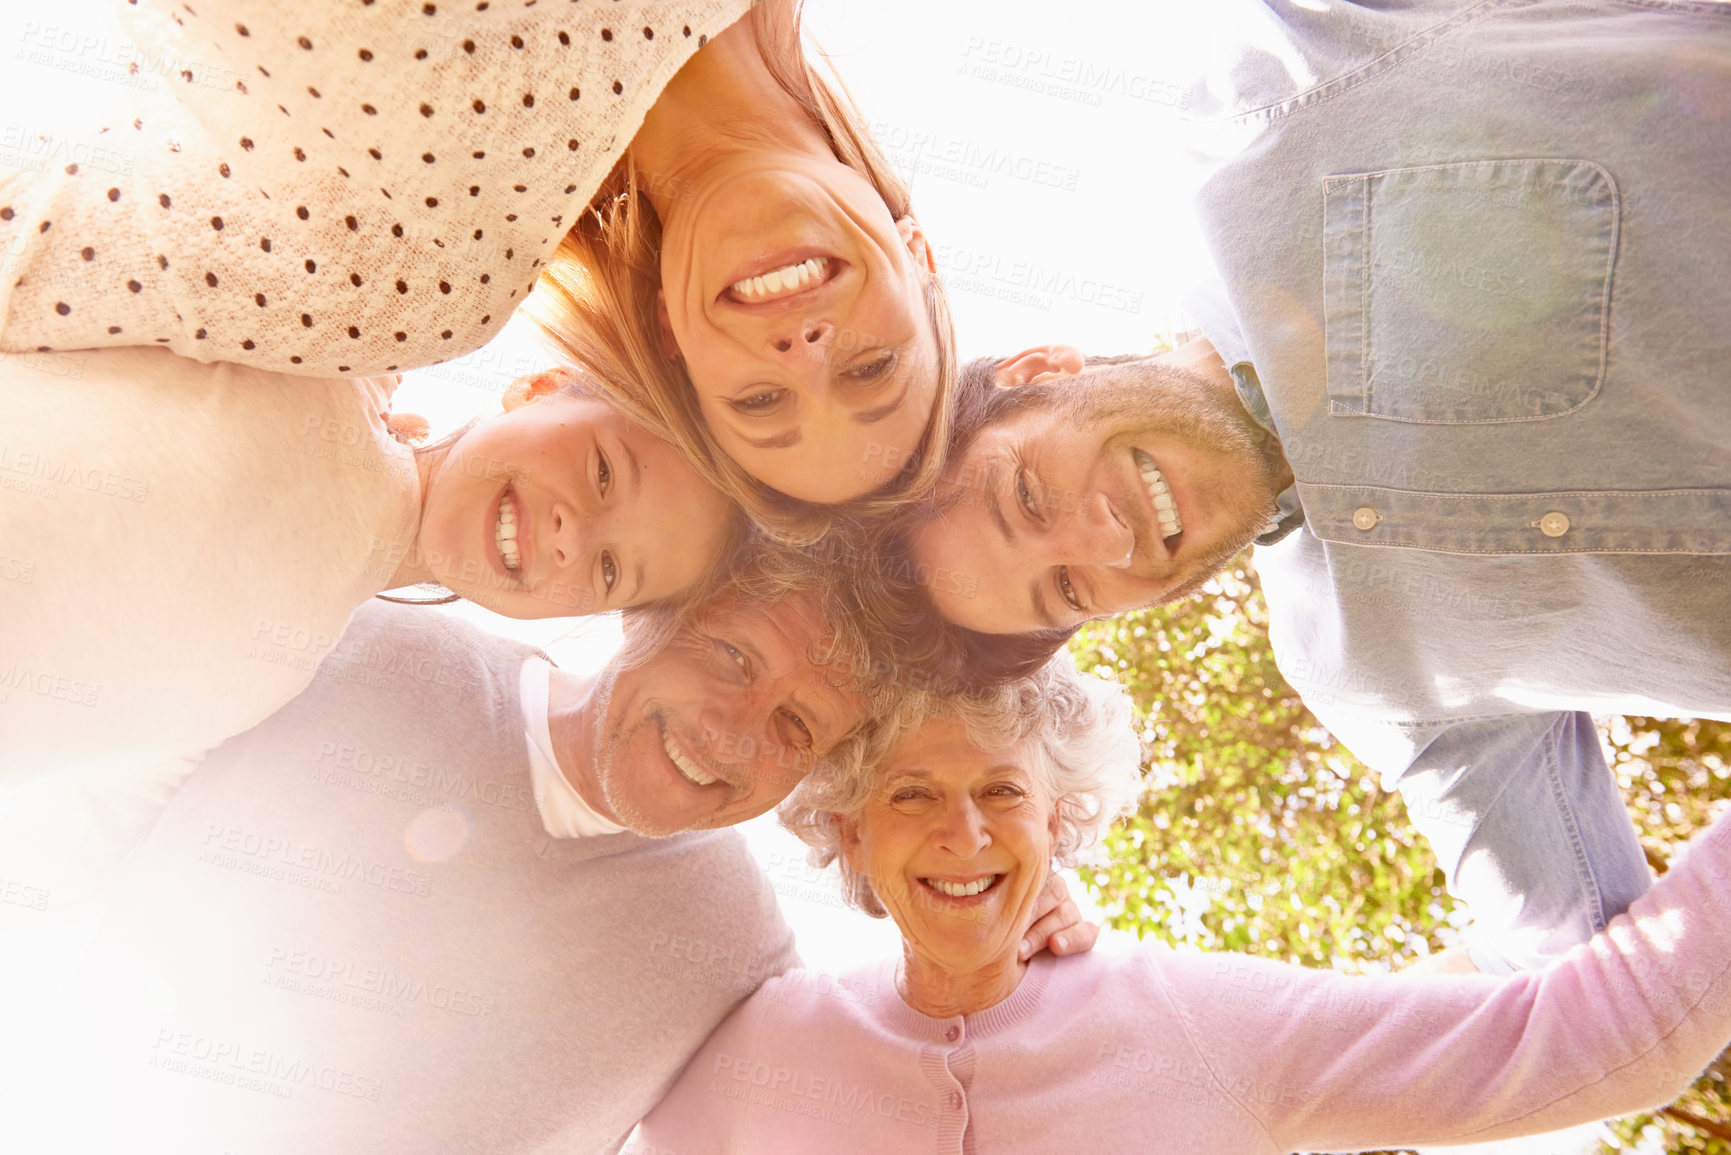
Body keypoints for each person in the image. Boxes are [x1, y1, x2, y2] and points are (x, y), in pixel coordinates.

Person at [902, 0, 1731, 974]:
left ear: (1042, 371)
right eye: (1070, 591)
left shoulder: (1281, 88)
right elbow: (1585, 973)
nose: (1104, 541)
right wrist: (1061, 975)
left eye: (1029, 496)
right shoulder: (1370, 673)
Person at [0, 598, 1092, 1154]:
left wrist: (1004, 903)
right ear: (657, 611)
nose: (727, 731)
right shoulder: (369, 644)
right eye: (730, 657)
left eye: (793, 725)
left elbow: (880, 1078)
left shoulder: (730, 951)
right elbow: (56, 842)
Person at [632, 656, 1731, 1154]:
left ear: (1060, 825)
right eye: (912, 794)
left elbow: (1589, 1044)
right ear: (849, 830)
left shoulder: (1205, 1025)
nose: (963, 835)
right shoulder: (754, 1048)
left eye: (1003, 792)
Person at [0, 0, 957, 525]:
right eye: (871, 369)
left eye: (759, 404)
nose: (803, 356)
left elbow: (31, 242)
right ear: (916, 257)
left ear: (672, 335)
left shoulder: (420, 278)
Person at [0, 359, 739, 920]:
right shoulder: (330, 366)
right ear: (542, 386)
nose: (570, 532)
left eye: (610, 569)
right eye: (602, 471)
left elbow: (83, 831)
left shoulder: (282, 667)